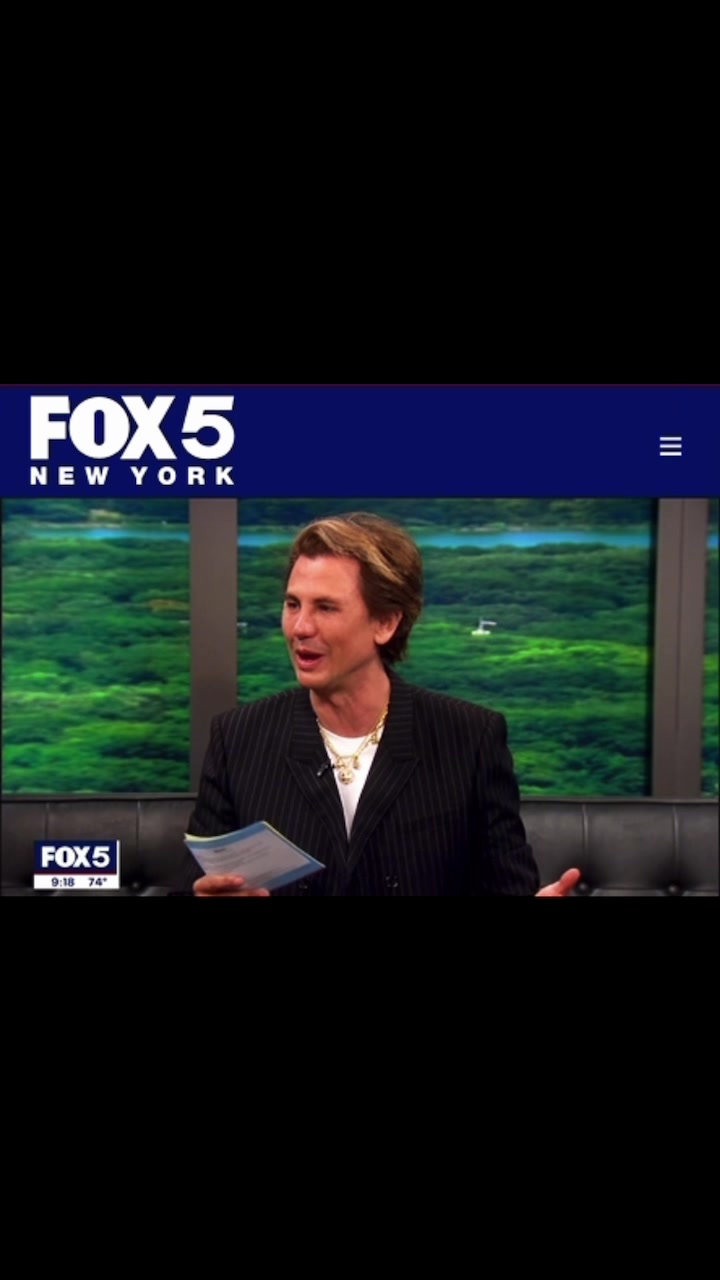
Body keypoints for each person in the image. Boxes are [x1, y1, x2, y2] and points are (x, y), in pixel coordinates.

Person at [181, 512, 581, 897]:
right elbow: (193, 885)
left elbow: (505, 887)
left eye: (325, 607)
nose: (300, 627)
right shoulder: (239, 738)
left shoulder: (469, 738)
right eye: (293, 604)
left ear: (386, 622)